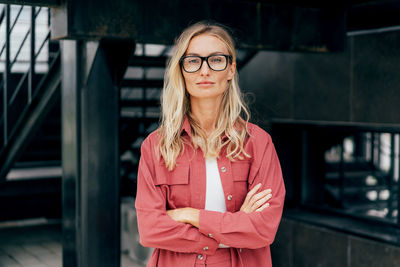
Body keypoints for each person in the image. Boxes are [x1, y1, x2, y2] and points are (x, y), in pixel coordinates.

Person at [135, 21, 285, 267]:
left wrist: (189, 215)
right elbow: (150, 230)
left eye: (216, 60)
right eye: (193, 61)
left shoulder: (258, 143)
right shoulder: (155, 146)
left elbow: (263, 229)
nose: (204, 71)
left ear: (231, 69)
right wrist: (235, 226)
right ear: (182, 71)